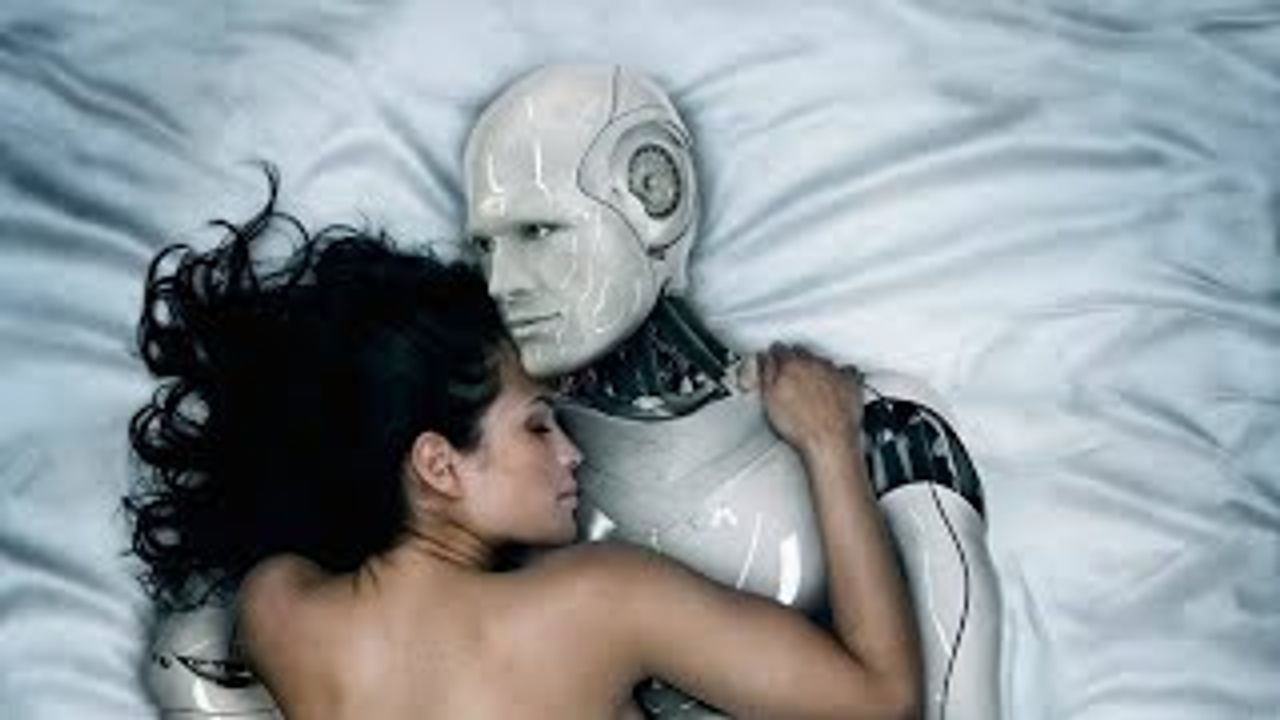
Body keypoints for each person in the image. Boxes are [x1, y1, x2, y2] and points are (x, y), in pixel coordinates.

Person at [125, 174, 921, 719]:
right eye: (538, 425)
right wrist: (830, 443)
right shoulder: (599, 604)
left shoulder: (280, 610)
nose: (572, 454)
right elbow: (881, 700)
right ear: (437, 465)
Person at [463, 64, 1001, 718]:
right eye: (484, 247)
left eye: (538, 231)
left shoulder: (887, 427)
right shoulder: (503, 472)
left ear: (653, 192)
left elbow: (960, 703)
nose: (502, 283)